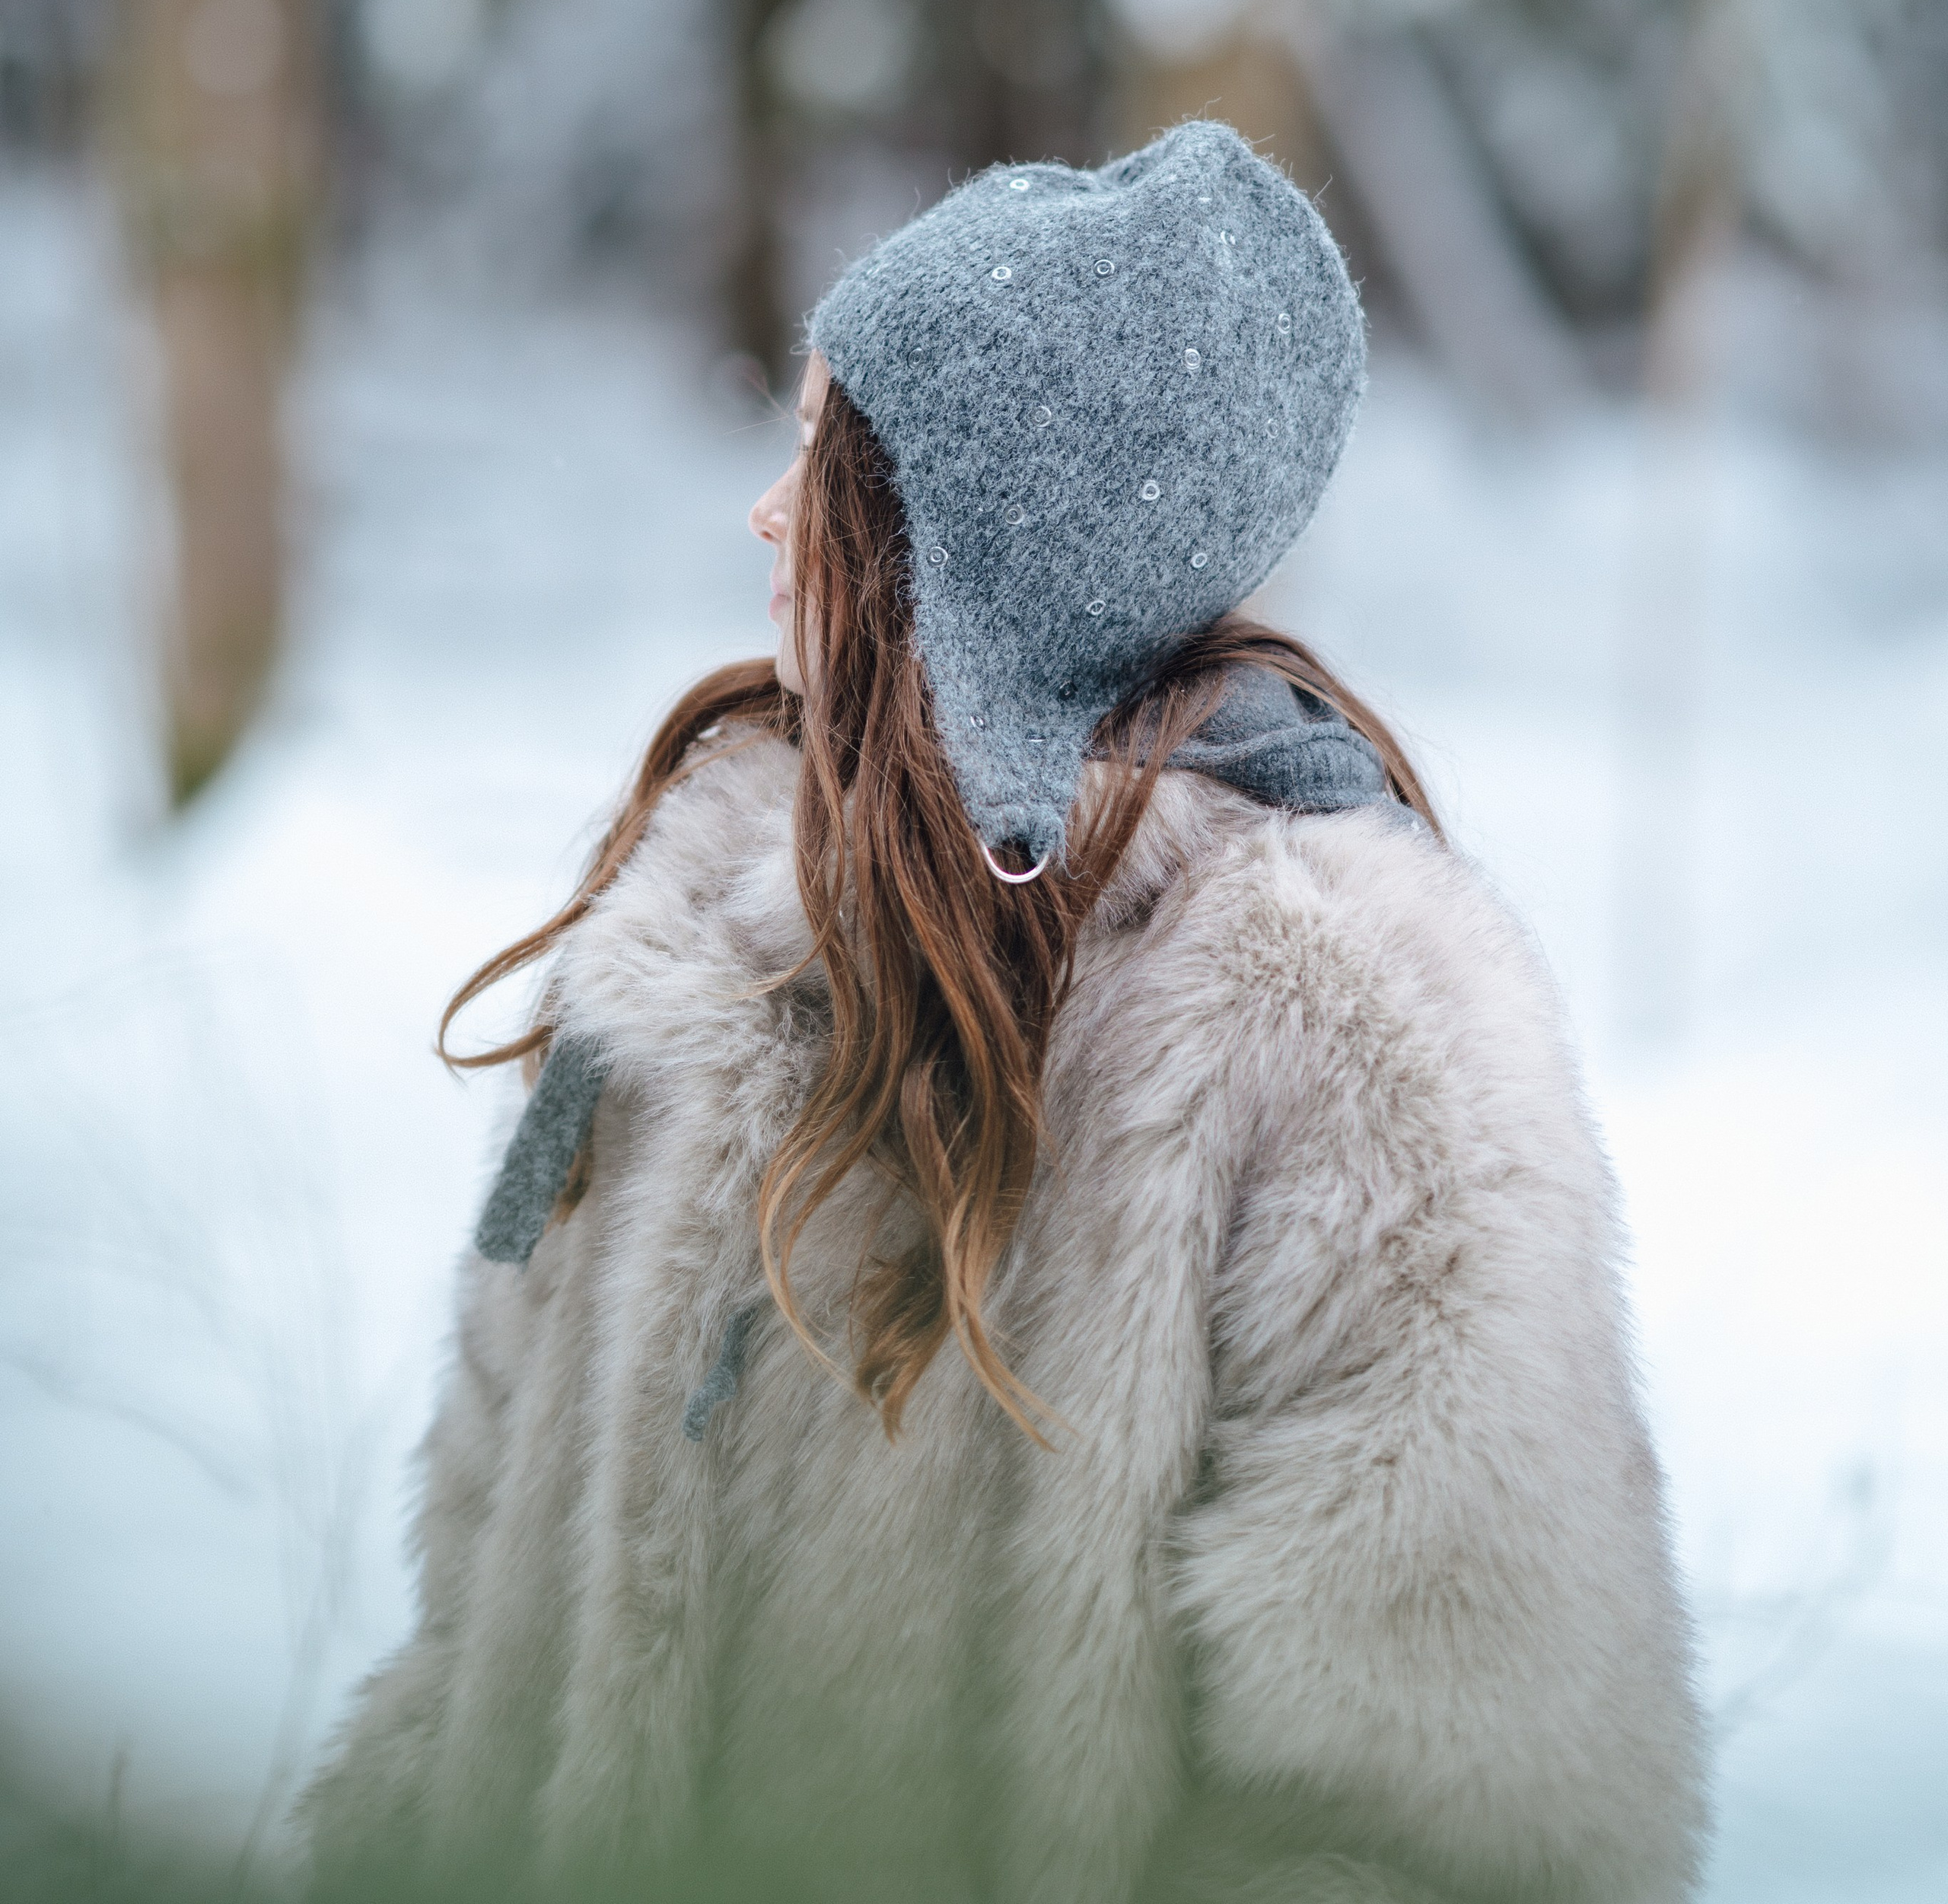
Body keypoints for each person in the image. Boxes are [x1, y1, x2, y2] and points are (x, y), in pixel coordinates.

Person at [304, 123, 1707, 1902]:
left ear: (981, 538)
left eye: (821, 449)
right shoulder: (680, 934)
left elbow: (1450, 1814)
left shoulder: (1346, 1029)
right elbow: (480, 1529)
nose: (762, 506)